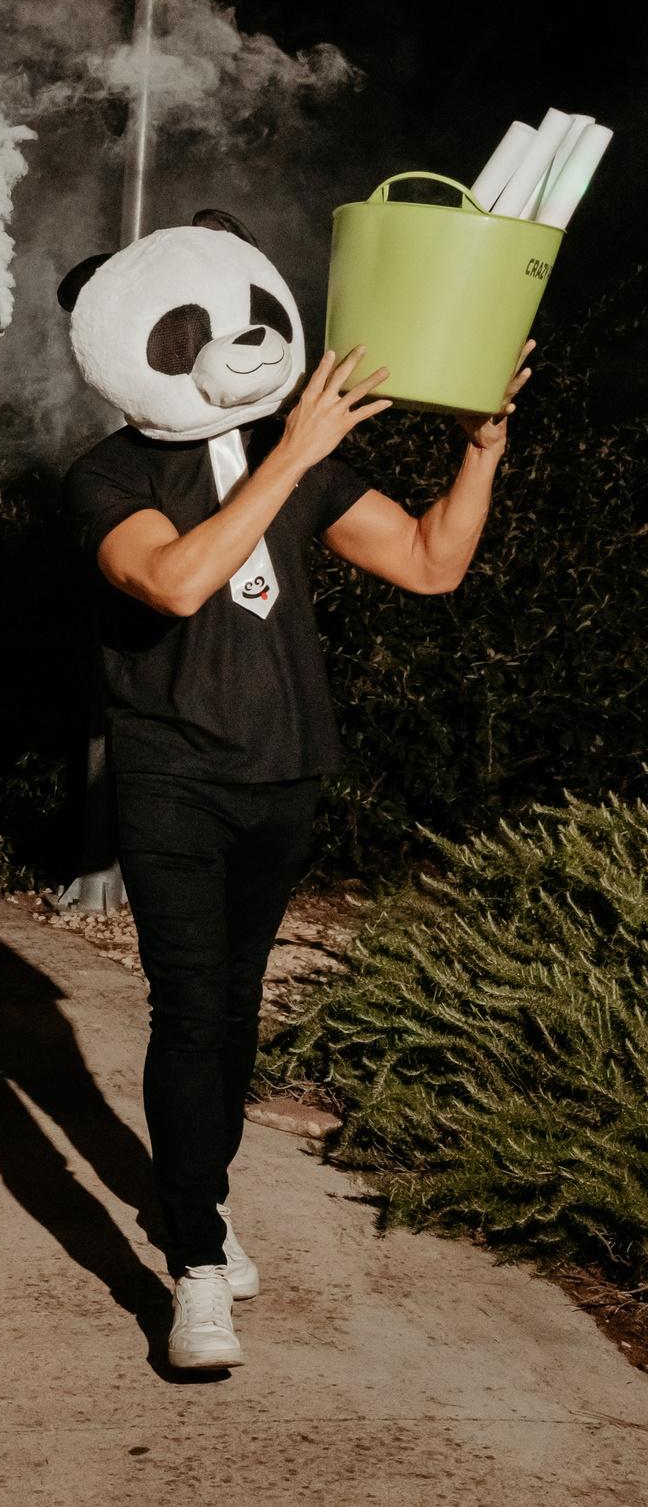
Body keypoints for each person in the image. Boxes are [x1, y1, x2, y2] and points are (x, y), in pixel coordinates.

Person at [59, 213, 530, 1370]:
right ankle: (198, 1270)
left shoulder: (297, 457)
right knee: (189, 1008)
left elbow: (431, 563)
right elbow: (171, 582)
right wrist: (289, 455)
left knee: (234, 1010)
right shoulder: (105, 475)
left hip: (286, 774)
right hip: (174, 775)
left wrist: (481, 447)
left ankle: (196, 1203)